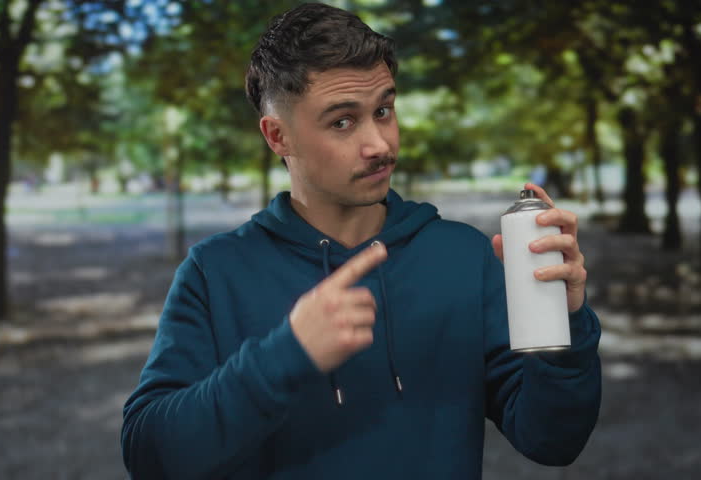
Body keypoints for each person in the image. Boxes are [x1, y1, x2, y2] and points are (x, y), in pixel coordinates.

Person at [121, 3, 601, 479]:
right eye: (343, 122)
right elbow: (150, 457)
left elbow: (552, 440)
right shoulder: (215, 271)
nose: (380, 144)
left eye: (384, 110)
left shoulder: (463, 256)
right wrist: (282, 358)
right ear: (277, 136)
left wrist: (565, 321)